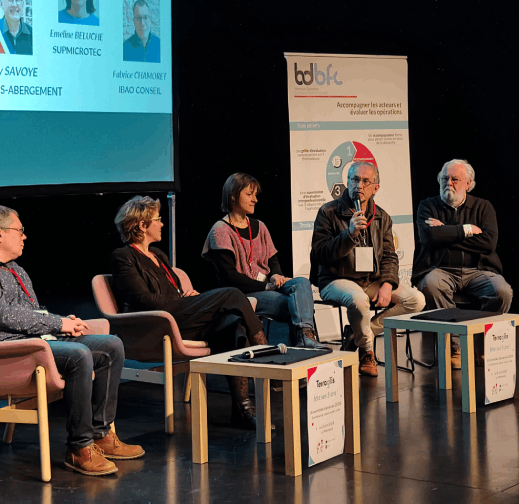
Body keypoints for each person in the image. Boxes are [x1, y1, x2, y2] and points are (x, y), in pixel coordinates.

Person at [0, 205, 144, 476]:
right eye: (20, 230)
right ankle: (79, 447)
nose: (24, 236)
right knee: (78, 355)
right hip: (3, 354)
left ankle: (101, 435)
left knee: (111, 345)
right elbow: (5, 317)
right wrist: (58, 324)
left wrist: (63, 323)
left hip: (31, 344)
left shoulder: (15, 269)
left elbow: (30, 314)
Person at [111, 196, 268, 428]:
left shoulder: (159, 256)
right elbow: (143, 300)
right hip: (155, 325)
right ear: (142, 225)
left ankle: (242, 409)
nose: (162, 224)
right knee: (232, 294)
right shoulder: (123, 256)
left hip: (179, 317)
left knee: (233, 323)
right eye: (157, 219)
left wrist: (188, 298)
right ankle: (268, 358)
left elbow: (173, 292)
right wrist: (189, 302)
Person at [310, 161, 425, 376]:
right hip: (335, 279)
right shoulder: (328, 212)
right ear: (347, 182)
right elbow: (319, 253)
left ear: (376, 188)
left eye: (365, 181)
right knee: (359, 299)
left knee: (416, 300)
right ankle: (367, 352)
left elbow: (389, 255)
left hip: (371, 280)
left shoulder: (382, 217)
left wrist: (388, 284)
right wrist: (349, 235)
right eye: (355, 180)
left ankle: (358, 335)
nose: (359, 185)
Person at [202, 173, 324, 350]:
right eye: (249, 194)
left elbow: (272, 260)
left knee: (302, 283)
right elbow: (229, 276)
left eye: (255, 195)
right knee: (296, 303)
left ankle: (304, 336)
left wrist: (276, 275)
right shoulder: (220, 231)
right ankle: (303, 340)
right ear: (233, 196)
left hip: (268, 285)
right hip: (243, 294)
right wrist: (265, 287)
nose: (255, 200)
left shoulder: (260, 226)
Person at [412, 159, 513, 369]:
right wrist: (466, 230)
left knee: (502, 292)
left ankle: (482, 346)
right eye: (444, 178)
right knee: (431, 285)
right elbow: (428, 238)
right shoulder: (427, 206)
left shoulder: (483, 207)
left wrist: (444, 233)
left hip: (477, 271)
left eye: (454, 179)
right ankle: (455, 348)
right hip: (439, 270)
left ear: (468, 184)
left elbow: (488, 243)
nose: (448, 183)